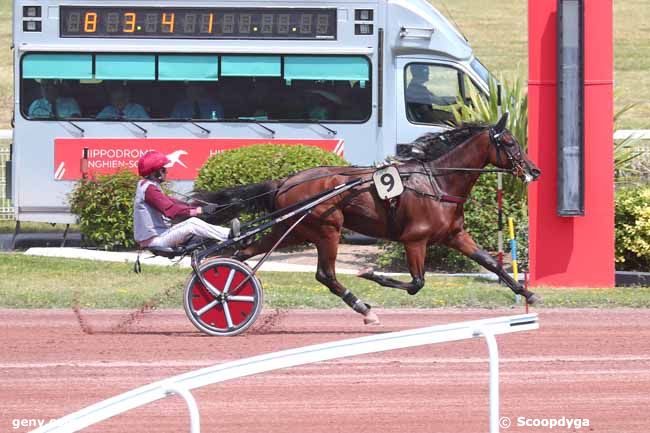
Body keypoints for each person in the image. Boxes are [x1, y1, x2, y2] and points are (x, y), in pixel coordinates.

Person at [133, 150, 238, 249]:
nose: (166, 172)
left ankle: (227, 237)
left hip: (159, 235)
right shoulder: (149, 189)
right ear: (154, 173)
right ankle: (229, 234)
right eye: (163, 169)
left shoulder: (149, 186)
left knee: (193, 224)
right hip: (155, 240)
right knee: (192, 223)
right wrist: (200, 211)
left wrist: (200, 207)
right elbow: (172, 211)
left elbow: (174, 202)